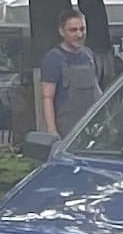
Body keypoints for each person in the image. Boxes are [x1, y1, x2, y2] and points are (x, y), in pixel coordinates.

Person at [40, 8, 102, 138]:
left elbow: (97, 90)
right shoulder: (53, 58)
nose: (79, 34)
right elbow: (47, 98)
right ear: (61, 32)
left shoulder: (89, 56)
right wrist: (52, 132)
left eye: (82, 29)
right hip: (67, 133)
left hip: (93, 130)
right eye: (73, 30)